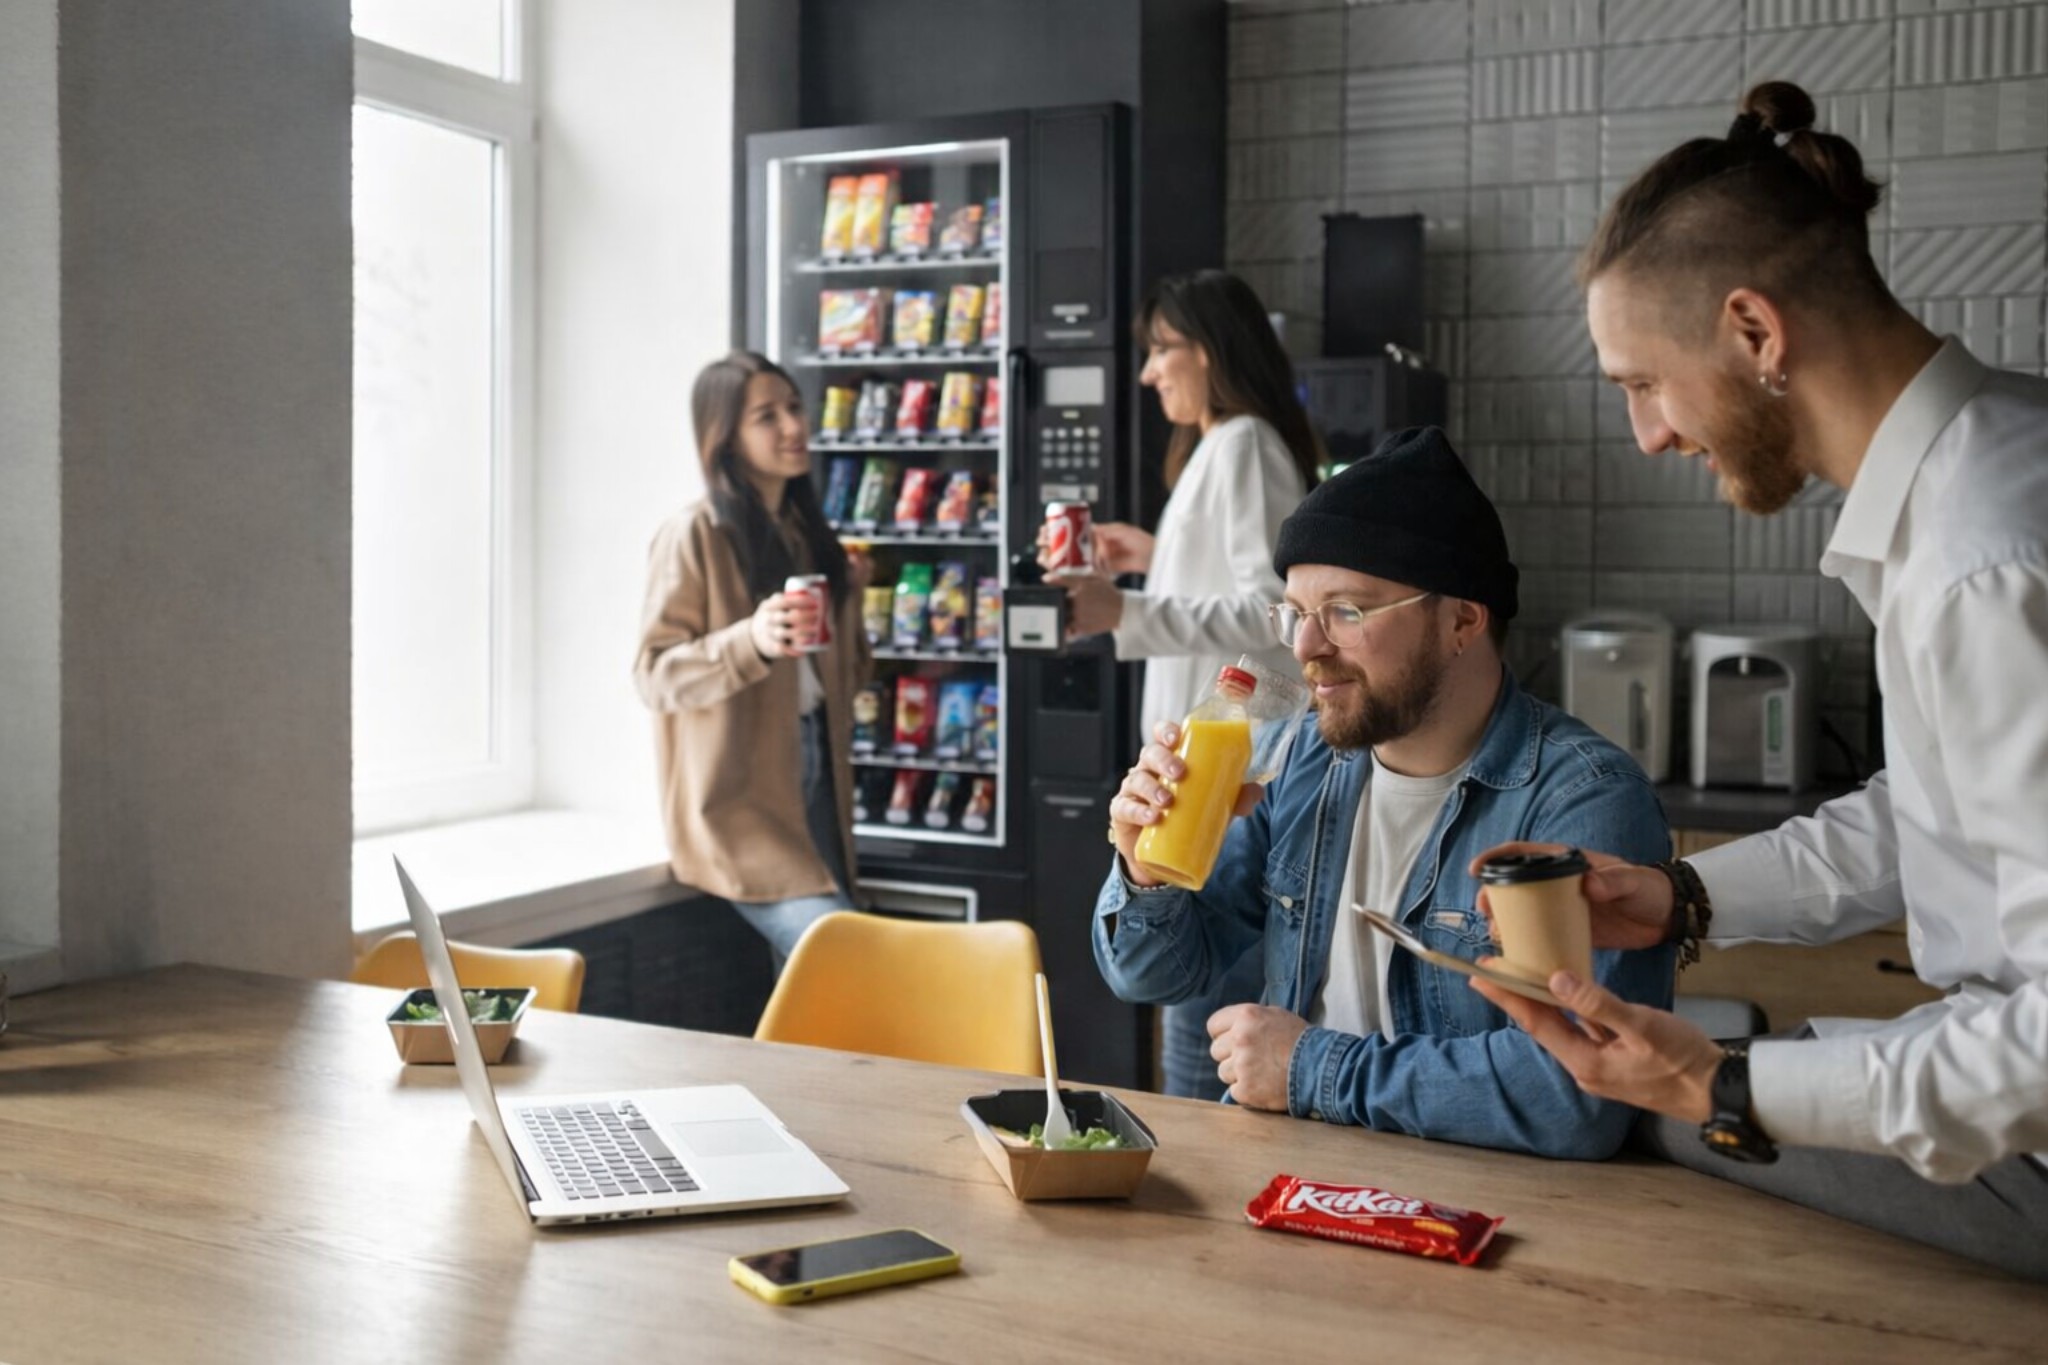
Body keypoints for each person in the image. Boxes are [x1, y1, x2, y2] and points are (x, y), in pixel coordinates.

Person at [1466, 81, 2048, 1280]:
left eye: (1641, 383)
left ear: (1752, 331)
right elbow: (1932, 815)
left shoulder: (1979, 565)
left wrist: (1718, 1086)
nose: (1647, 434)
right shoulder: (1990, 465)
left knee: (1638, 1132)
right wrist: (1678, 898)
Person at [1091, 427, 1678, 1158]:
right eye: (1294, 613)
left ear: (1462, 619)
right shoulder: (1296, 757)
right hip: (1294, 1181)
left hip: (1485, 1205)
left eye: (1346, 611)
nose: (1304, 648)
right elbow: (1155, 973)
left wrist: (1308, 1067)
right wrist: (1145, 871)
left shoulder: (1582, 801)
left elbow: (1576, 1096)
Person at [1046, 269, 1319, 1099]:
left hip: (1229, 768)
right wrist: (1156, 555)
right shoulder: (1226, 444)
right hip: (1209, 765)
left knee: (1197, 1029)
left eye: (1163, 348)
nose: (1148, 371)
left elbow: (1272, 608)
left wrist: (1126, 610)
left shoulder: (1243, 442)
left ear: (1211, 350)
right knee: (1193, 1012)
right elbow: (1238, 581)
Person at [634, 351, 869, 972]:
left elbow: (849, 682)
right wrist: (752, 640)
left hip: (815, 772)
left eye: (794, 407)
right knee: (845, 959)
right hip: (738, 803)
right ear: (726, 437)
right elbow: (654, 675)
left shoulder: (804, 532)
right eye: (767, 416)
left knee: (814, 985)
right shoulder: (693, 533)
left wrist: (851, 600)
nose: (794, 426)